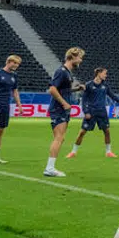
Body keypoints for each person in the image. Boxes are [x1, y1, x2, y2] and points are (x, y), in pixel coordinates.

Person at [67, 67, 119, 159]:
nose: (106, 75)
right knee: (82, 132)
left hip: (102, 112)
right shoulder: (89, 85)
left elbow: (114, 97)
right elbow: (84, 100)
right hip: (91, 112)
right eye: (105, 73)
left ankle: (108, 152)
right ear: (99, 73)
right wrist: (86, 111)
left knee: (107, 132)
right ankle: (73, 152)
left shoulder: (105, 86)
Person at [44, 47, 85, 177]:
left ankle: (50, 167)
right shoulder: (61, 71)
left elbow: (63, 90)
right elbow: (52, 89)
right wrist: (64, 103)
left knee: (60, 139)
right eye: (79, 57)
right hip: (59, 108)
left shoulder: (68, 73)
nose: (81, 60)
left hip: (63, 109)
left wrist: (76, 89)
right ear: (72, 57)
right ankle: (49, 168)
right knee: (59, 138)